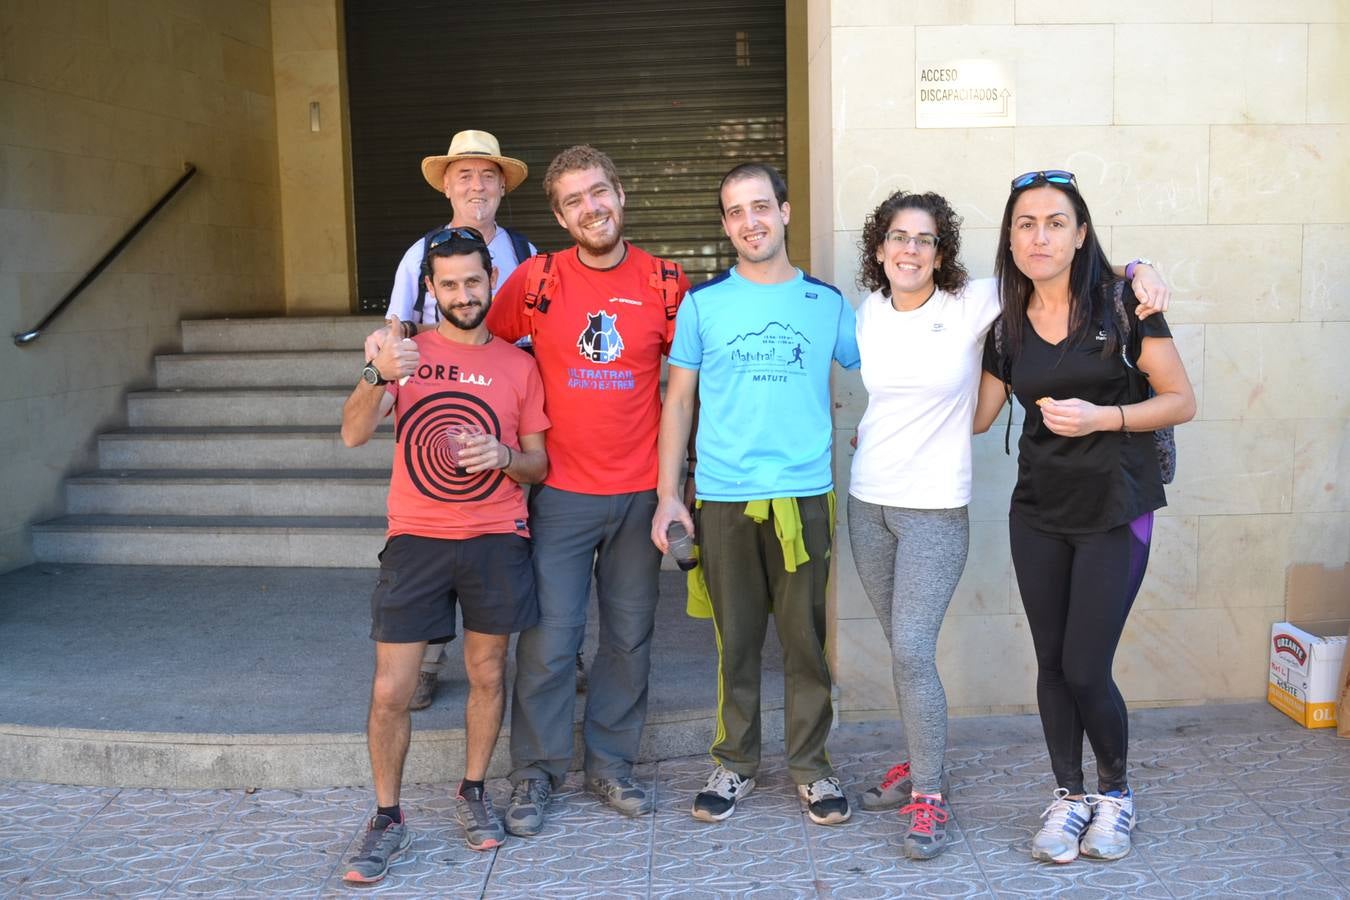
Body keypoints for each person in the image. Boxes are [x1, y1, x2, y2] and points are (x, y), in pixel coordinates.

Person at [848, 190, 1170, 859]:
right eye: (898, 238)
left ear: (943, 251)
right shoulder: (872, 313)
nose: (911, 250)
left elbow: (1070, 269)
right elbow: (939, 405)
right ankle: (1028, 784)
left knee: (937, 653)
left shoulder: (981, 302)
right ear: (878, 249)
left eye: (925, 239)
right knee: (938, 657)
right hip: (895, 500)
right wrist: (881, 437)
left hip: (997, 505)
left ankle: (955, 792)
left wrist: (1137, 265)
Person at [973, 170, 1195, 864]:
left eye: (1055, 222)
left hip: (1115, 509)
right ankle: (1069, 798)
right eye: (1025, 224)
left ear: (1080, 233)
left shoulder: (1124, 305)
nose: (1040, 236)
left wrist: (1107, 417)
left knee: (1086, 666)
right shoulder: (1004, 327)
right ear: (1010, 239)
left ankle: (1116, 794)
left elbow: (1180, 399)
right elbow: (977, 417)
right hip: (1037, 511)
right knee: (1050, 662)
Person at [484, 145, 691, 835]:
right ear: (558, 214)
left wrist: (678, 487)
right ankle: (535, 775)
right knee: (550, 639)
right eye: (573, 200)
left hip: (639, 495)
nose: (590, 208)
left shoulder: (665, 282)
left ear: (621, 195)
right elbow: (482, 348)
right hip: (559, 494)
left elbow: (690, 386)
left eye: (598, 192)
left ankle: (609, 762)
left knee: (629, 638)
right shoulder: (536, 280)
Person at [651, 163, 860, 827]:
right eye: (736, 211)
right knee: (735, 642)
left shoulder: (826, 303)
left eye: (762, 206)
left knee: (805, 642)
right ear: (725, 224)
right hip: (722, 499)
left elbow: (896, 366)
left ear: (786, 211)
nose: (751, 221)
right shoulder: (703, 304)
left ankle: (812, 767)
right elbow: (678, 401)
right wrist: (668, 497)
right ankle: (735, 761)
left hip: (803, 498)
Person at [340, 227, 550, 883]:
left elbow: (539, 464)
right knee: (390, 689)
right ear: (431, 290)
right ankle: (386, 818)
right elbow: (351, 434)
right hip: (416, 539)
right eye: (449, 284)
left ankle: (472, 790)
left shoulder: (521, 365)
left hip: (495, 538)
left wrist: (506, 458)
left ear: (492, 281)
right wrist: (378, 372)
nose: (464, 294)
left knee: (488, 673)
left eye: (474, 281)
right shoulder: (404, 355)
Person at [379, 129, 539, 711]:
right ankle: (425, 657)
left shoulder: (525, 255)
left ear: (502, 186)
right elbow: (395, 329)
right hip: (441, 411)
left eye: (487, 175)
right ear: (447, 185)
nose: (477, 185)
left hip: (513, 405)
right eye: (464, 175)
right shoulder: (420, 254)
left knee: (516, 529)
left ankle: (546, 650)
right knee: (429, 534)